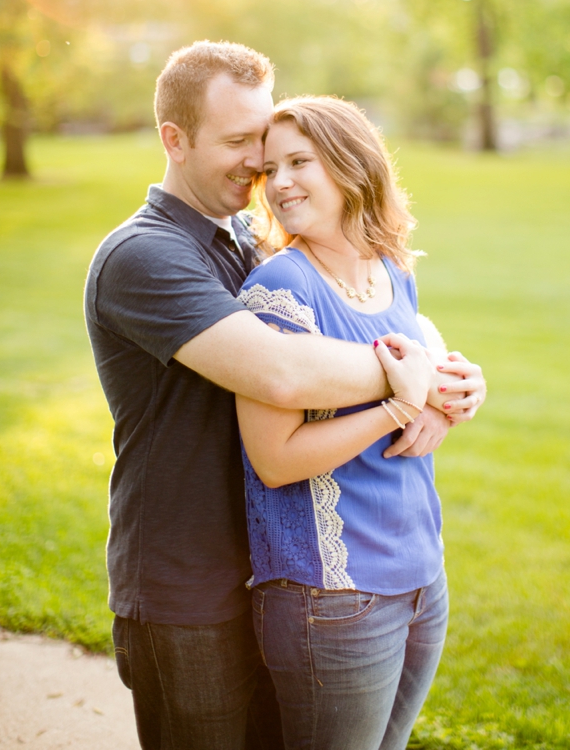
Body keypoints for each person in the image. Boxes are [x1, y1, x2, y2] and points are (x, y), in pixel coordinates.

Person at [84, 41, 485, 749]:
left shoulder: (247, 236)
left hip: (277, 570)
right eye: (240, 142)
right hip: (190, 588)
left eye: (264, 143)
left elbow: (359, 307)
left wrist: (442, 376)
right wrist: (410, 375)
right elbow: (281, 373)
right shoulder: (144, 255)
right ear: (173, 141)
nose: (259, 164)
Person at [234, 95, 465, 749]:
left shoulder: (389, 268)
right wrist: (397, 404)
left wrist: (452, 393)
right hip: (332, 597)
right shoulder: (279, 290)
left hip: (423, 573)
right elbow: (274, 459)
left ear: (351, 165)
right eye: (268, 170)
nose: (279, 184)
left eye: (299, 161)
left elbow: (419, 361)